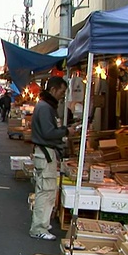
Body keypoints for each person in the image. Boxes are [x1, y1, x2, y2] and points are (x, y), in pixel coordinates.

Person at [29, 76, 79, 240]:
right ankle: (39, 228)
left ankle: (42, 222)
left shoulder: (46, 106)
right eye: (62, 92)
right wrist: (66, 132)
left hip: (46, 153)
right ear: (53, 90)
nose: (63, 95)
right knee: (46, 190)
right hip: (45, 153)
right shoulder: (45, 108)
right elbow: (48, 133)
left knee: (48, 190)